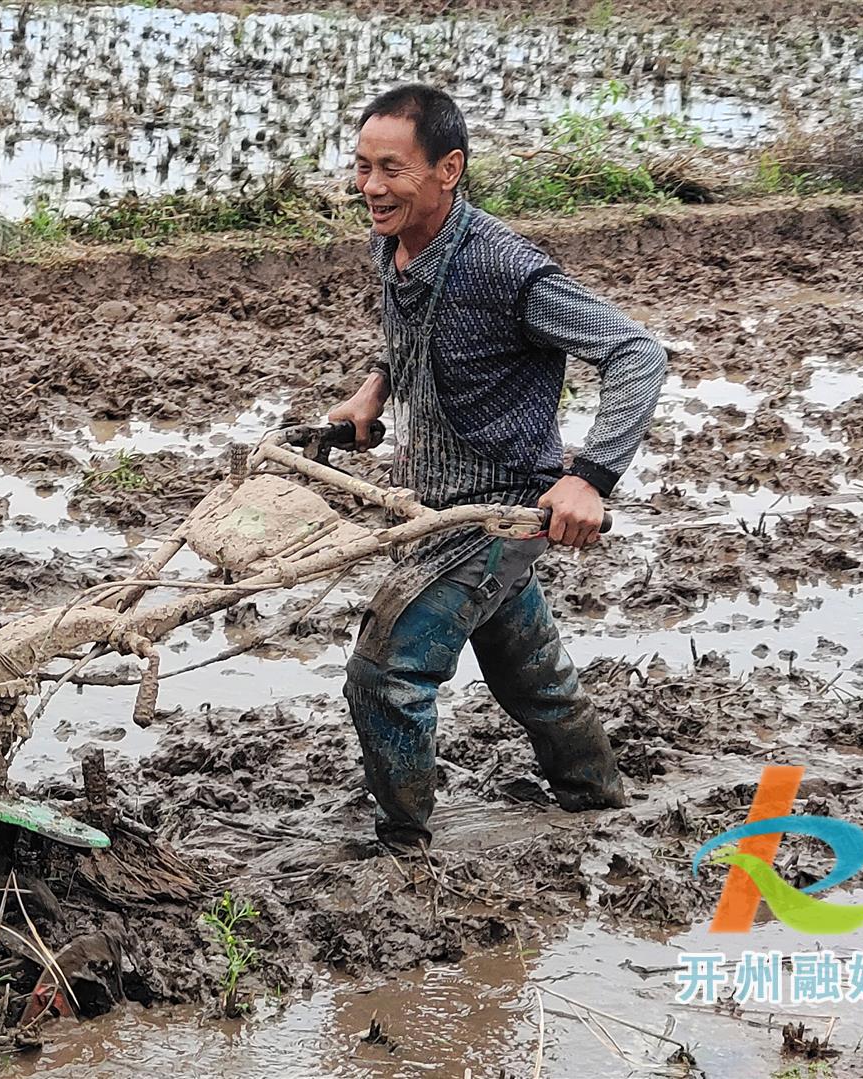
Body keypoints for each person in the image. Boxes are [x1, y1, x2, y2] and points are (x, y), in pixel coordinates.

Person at [327, 84, 665, 851]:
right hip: (433, 498)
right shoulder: (396, 240)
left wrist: (591, 474)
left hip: (499, 512)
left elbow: (637, 352)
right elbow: (409, 331)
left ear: (449, 169)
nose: (370, 187)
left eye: (391, 169)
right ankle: (597, 793)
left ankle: (403, 848)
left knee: (386, 672)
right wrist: (374, 389)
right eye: (361, 167)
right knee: (528, 668)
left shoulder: (506, 268)